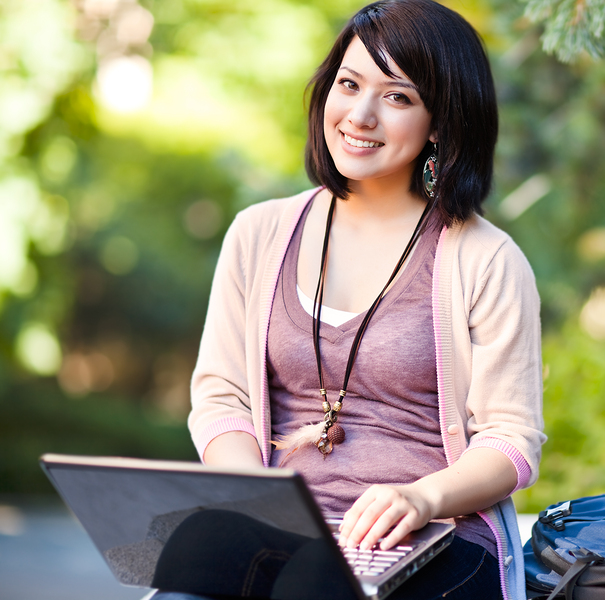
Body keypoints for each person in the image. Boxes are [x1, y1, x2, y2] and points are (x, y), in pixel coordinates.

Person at [186, 0, 545, 598]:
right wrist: (260, 502)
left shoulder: (486, 258)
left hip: (437, 537)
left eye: (397, 97)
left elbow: (511, 441)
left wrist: (421, 497)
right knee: (190, 570)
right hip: (287, 529)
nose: (360, 114)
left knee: (309, 587)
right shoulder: (259, 233)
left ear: (441, 121)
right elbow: (223, 395)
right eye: (348, 85)